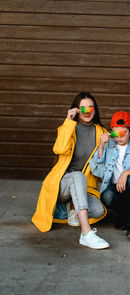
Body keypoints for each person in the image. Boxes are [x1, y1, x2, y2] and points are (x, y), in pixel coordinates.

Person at [32, 92, 110, 249]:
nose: (87, 112)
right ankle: (86, 233)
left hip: (84, 187)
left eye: (91, 108)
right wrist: (68, 120)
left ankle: (72, 206)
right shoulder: (68, 128)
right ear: (77, 110)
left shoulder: (101, 132)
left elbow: (112, 154)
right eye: (83, 109)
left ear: (95, 110)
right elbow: (59, 148)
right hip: (63, 184)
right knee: (77, 176)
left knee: (98, 210)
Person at [89, 111, 130, 240]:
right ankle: (123, 213)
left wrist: (126, 172)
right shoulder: (109, 146)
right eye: (114, 133)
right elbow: (97, 170)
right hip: (116, 190)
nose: (118, 137)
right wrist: (101, 145)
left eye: (122, 132)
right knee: (106, 196)